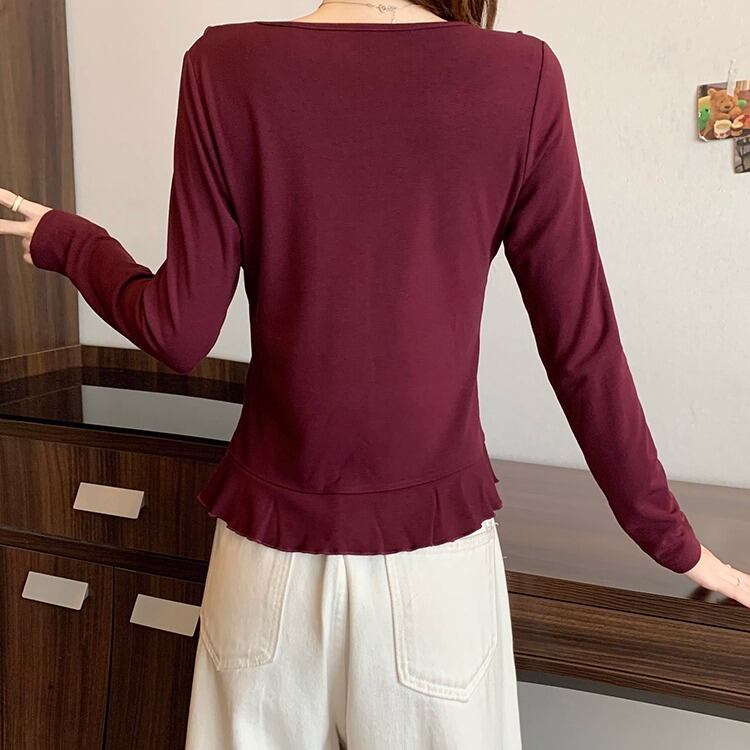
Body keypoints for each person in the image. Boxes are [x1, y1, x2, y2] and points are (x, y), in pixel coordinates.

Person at [2, 1, 748, 748]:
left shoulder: (223, 66)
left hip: (266, 566)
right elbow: (583, 347)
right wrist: (677, 544)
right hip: (434, 576)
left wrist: (74, 243)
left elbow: (177, 330)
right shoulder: (521, 77)